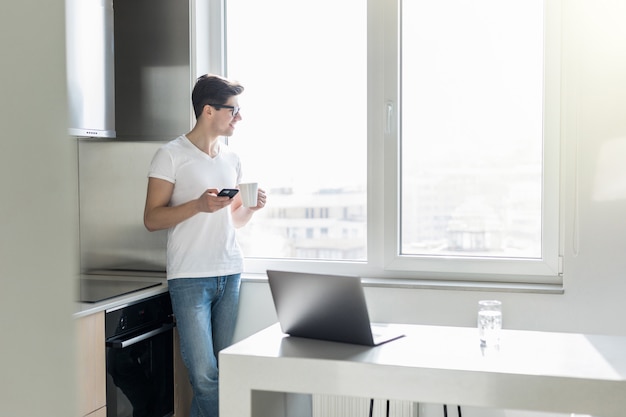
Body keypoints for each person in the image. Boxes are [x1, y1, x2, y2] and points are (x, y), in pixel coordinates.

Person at [143, 74, 266, 417]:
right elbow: (152, 218)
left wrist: (250, 210)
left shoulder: (232, 159)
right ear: (208, 111)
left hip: (229, 273)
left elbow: (233, 220)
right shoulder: (170, 155)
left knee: (220, 373)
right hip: (190, 277)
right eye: (233, 111)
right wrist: (197, 205)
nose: (238, 118)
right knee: (205, 376)